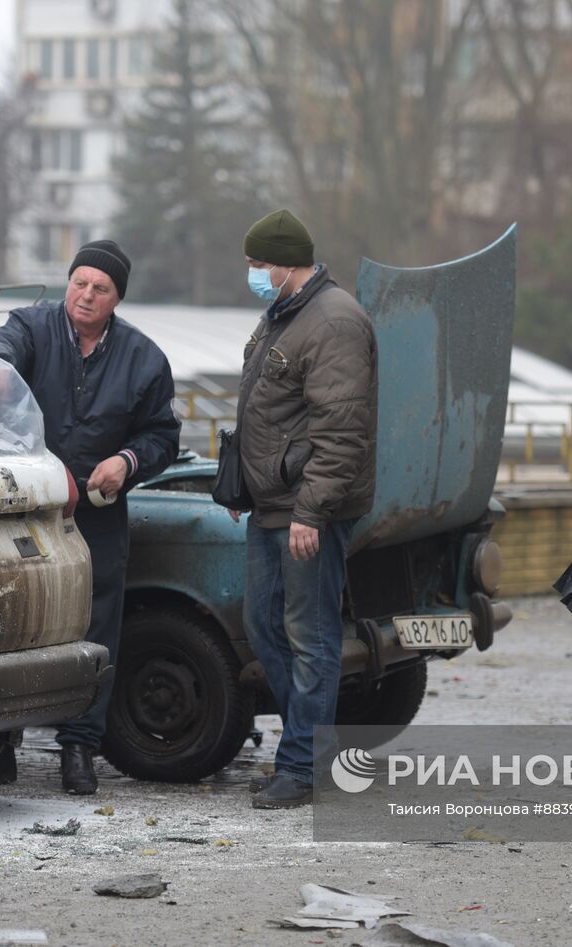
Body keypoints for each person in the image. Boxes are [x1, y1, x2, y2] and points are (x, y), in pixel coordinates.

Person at [0, 239, 180, 795]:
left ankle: (79, 748)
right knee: (12, 618)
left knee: (95, 629)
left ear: (117, 298)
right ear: (66, 283)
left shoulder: (144, 359)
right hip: (22, 506)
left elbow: (163, 436)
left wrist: (127, 461)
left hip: (95, 512)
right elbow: (1, 343)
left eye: (101, 288)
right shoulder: (32, 327)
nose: (86, 296)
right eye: (79, 283)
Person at [225, 208, 378, 809]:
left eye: (259, 266)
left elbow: (342, 432)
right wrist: (242, 488)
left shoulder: (334, 321)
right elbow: (267, 414)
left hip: (307, 510)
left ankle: (302, 766)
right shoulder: (283, 313)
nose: (254, 276)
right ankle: (313, 747)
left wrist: (311, 511)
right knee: (265, 625)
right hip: (271, 505)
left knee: (310, 637)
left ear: (286, 264)